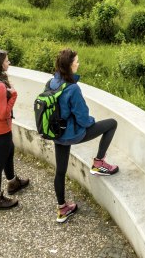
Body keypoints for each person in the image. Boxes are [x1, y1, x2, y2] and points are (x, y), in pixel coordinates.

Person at [50, 48, 119, 223]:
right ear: (70, 65)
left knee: (60, 171)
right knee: (111, 124)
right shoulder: (73, 88)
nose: (79, 64)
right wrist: (92, 121)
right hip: (73, 134)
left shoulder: (52, 82)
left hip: (57, 133)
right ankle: (98, 163)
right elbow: (83, 118)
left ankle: (62, 209)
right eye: (76, 62)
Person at [0, 49, 29, 211]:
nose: (9, 63)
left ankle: (12, 182)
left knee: (9, 151)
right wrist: (14, 96)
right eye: (7, 61)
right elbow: (2, 114)